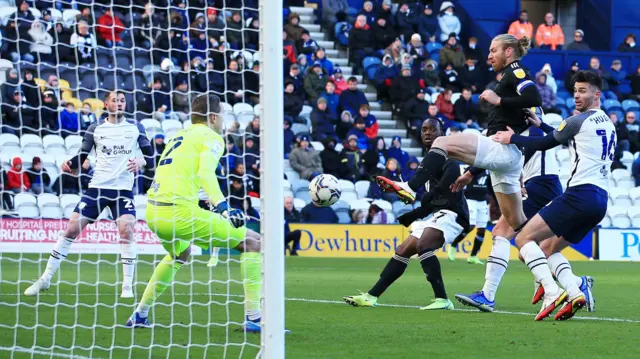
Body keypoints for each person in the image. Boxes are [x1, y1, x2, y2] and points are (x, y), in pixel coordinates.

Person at [376, 35, 541, 277]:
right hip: (507, 158)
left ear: (508, 51)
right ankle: (557, 282)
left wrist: (498, 99)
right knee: (520, 227)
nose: (489, 55)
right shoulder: (508, 74)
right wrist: (471, 173)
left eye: (493, 50)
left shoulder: (514, 70)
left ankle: (411, 187)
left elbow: (534, 97)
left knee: (442, 142)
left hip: (502, 149)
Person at [125, 94, 286, 333]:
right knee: (254, 243)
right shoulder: (212, 137)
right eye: (220, 114)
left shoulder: (178, 135)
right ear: (213, 117)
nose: (222, 120)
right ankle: (254, 318)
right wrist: (223, 206)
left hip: (153, 212)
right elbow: (205, 174)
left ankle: (140, 313)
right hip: (179, 212)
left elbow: (179, 173)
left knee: (181, 254)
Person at [488, 71, 610, 321]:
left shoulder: (577, 120)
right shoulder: (606, 122)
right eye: (575, 90)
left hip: (579, 194)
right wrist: (540, 124)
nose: (577, 95)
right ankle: (577, 289)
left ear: (597, 94)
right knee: (546, 249)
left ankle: (552, 292)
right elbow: (566, 137)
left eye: (583, 91)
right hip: (600, 201)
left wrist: (512, 137)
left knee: (523, 240)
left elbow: (545, 144)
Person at [456, 107, 593, 313]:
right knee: (539, 247)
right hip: (545, 185)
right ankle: (577, 284)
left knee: (502, 232)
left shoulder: (533, 131)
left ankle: (488, 294)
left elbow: (517, 153)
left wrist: (473, 172)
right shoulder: (529, 131)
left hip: (539, 186)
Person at [24, 91, 155, 300]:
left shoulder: (136, 128)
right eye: (115, 100)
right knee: (71, 229)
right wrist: (70, 165)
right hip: (97, 188)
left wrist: (141, 162)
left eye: (122, 100)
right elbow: (82, 158)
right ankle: (45, 278)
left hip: (123, 191)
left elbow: (150, 157)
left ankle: (127, 286)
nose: (119, 103)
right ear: (106, 104)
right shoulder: (95, 129)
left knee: (127, 229)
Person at [344, 118, 469, 310]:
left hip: (454, 215)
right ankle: (371, 296)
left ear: (441, 134)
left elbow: (446, 192)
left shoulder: (449, 160)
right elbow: (432, 200)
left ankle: (442, 300)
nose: (427, 133)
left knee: (424, 245)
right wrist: (416, 212)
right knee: (403, 250)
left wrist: (417, 210)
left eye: (432, 129)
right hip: (439, 215)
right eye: (424, 129)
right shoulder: (427, 164)